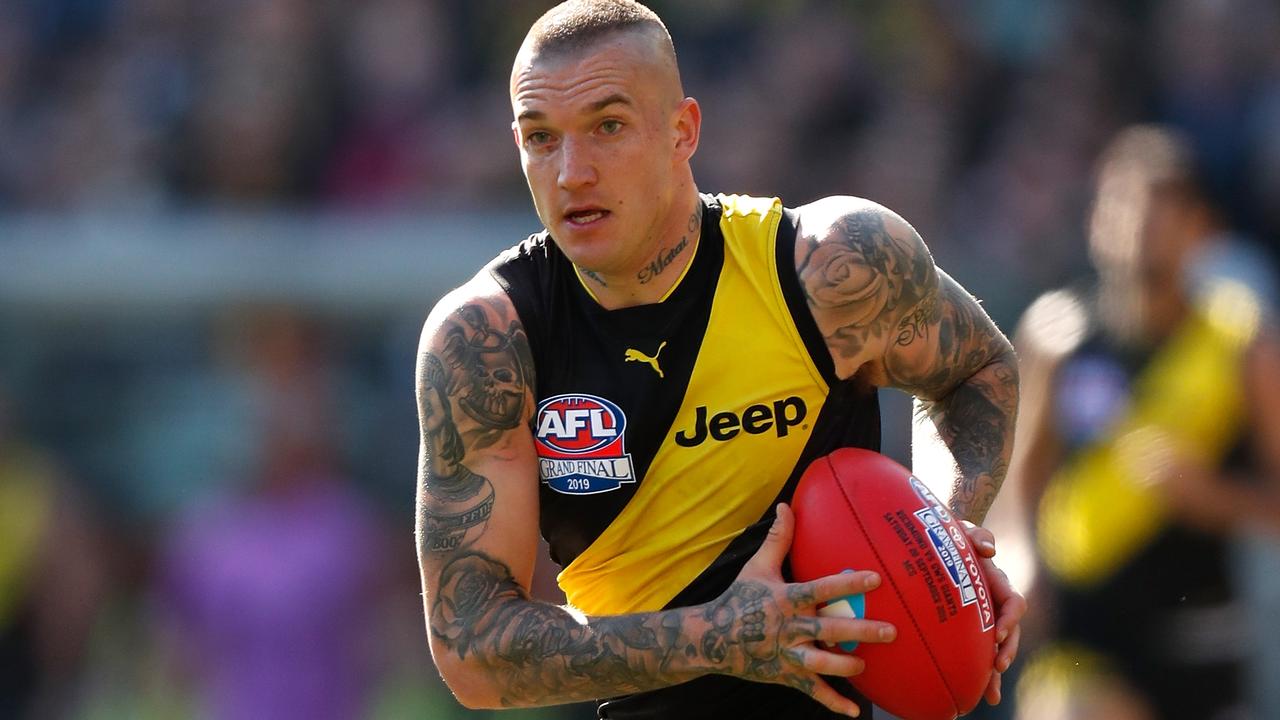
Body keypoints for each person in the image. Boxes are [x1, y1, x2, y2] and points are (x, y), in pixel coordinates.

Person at [414, 2, 1025, 718]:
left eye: (608, 127)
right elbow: (472, 651)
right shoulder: (488, 340)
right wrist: (718, 638)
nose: (572, 172)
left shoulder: (830, 266)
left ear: (683, 132)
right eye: (541, 139)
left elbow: (977, 370)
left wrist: (938, 540)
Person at [1008, 125, 1280, 720]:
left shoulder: (1242, 346)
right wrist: (1022, 564)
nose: (1140, 222)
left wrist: (1216, 496)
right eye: (1122, 201)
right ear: (1094, 221)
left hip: (1202, 633)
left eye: (1162, 204)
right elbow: (1020, 480)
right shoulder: (1058, 337)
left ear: (1200, 226)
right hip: (1086, 631)